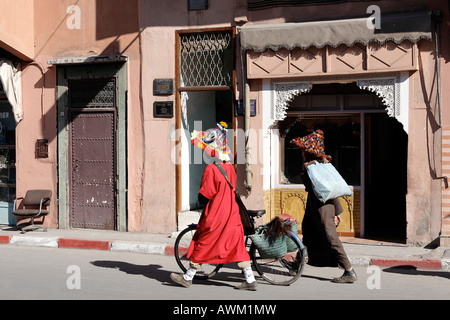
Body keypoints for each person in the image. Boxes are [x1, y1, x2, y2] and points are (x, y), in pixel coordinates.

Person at [170, 122, 257, 291]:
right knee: (238, 246)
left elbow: (205, 196)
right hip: (232, 214)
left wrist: (199, 196)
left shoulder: (211, 169)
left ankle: (187, 277)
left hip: (217, 215)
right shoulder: (229, 168)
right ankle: (250, 279)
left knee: (203, 242)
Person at [291, 129, 357, 283]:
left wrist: (305, 169)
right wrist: (338, 212)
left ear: (308, 152)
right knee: (308, 234)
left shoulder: (310, 167)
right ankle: (297, 264)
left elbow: (314, 187)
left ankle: (349, 270)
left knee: (331, 237)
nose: (301, 153)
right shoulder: (323, 165)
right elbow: (332, 189)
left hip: (322, 208)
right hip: (316, 207)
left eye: (302, 151)